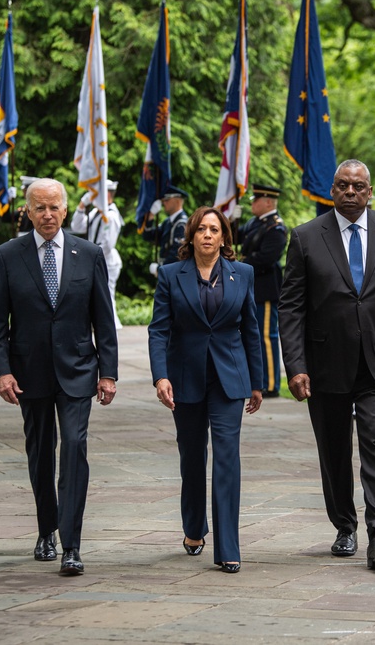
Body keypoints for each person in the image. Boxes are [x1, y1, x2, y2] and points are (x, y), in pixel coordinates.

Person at [278, 160, 375, 570]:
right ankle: (345, 525)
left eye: (358, 186)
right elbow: (291, 309)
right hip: (326, 363)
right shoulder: (306, 237)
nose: (350, 192)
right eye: (343, 185)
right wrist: (295, 365)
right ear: (332, 188)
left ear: (370, 192)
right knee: (334, 448)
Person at [0, 178, 118, 577]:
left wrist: (108, 372)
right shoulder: (8, 256)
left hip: (78, 369)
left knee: (74, 449)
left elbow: (103, 319)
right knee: (41, 454)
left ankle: (72, 546)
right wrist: (2, 371)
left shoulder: (88, 253)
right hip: (30, 374)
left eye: (54, 207)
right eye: (39, 208)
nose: (47, 215)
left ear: (65, 210)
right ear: (27, 211)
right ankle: (47, 529)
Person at [148, 207, 263, 574]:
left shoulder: (242, 273)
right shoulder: (170, 275)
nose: (208, 235)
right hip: (185, 379)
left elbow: (251, 331)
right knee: (193, 456)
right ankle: (194, 527)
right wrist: (160, 376)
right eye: (201, 229)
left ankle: (228, 547)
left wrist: (257, 382)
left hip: (230, 378)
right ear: (192, 236)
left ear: (224, 237)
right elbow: (159, 330)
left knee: (227, 458)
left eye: (215, 229)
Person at [237, 184, 287, 397]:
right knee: (251, 335)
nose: (252, 203)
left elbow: (266, 258)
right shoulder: (253, 223)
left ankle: (270, 384)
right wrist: (230, 219)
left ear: (268, 202)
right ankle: (256, 379)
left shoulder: (275, 227)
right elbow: (235, 237)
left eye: (256, 199)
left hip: (265, 289)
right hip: (251, 286)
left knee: (266, 336)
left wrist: (240, 263)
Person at [70, 179, 124, 330]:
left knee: (106, 294)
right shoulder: (96, 212)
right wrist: (82, 205)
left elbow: (107, 245)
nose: (92, 196)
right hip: (96, 259)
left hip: (107, 261)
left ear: (106, 195)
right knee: (100, 294)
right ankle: (107, 325)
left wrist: (90, 256)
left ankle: (111, 326)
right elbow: (77, 226)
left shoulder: (111, 216)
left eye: (95, 193)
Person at [142, 185, 188, 272]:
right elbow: (148, 236)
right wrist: (151, 216)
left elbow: (178, 254)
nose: (164, 203)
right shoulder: (167, 222)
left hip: (174, 273)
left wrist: (160, 268)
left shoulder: (182, 224)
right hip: (167, 273)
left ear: (177, 201)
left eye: (167, 200)